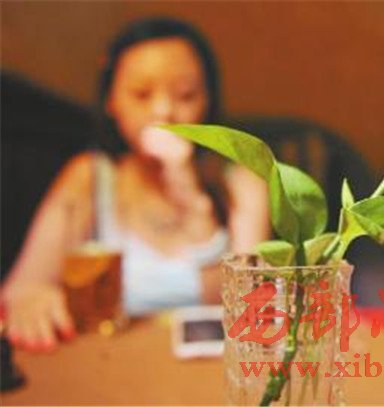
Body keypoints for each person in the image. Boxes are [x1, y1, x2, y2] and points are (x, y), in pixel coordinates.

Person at [0, 17, 270, 352]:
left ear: (208, 100)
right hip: (109, 365)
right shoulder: (89, 177)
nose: (163, 111)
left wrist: (190, 195)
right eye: (141, 94)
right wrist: (34, 299)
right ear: (111, 101)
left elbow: (248, 307)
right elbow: (21, 288)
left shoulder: (242, 183)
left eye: (185, 95)